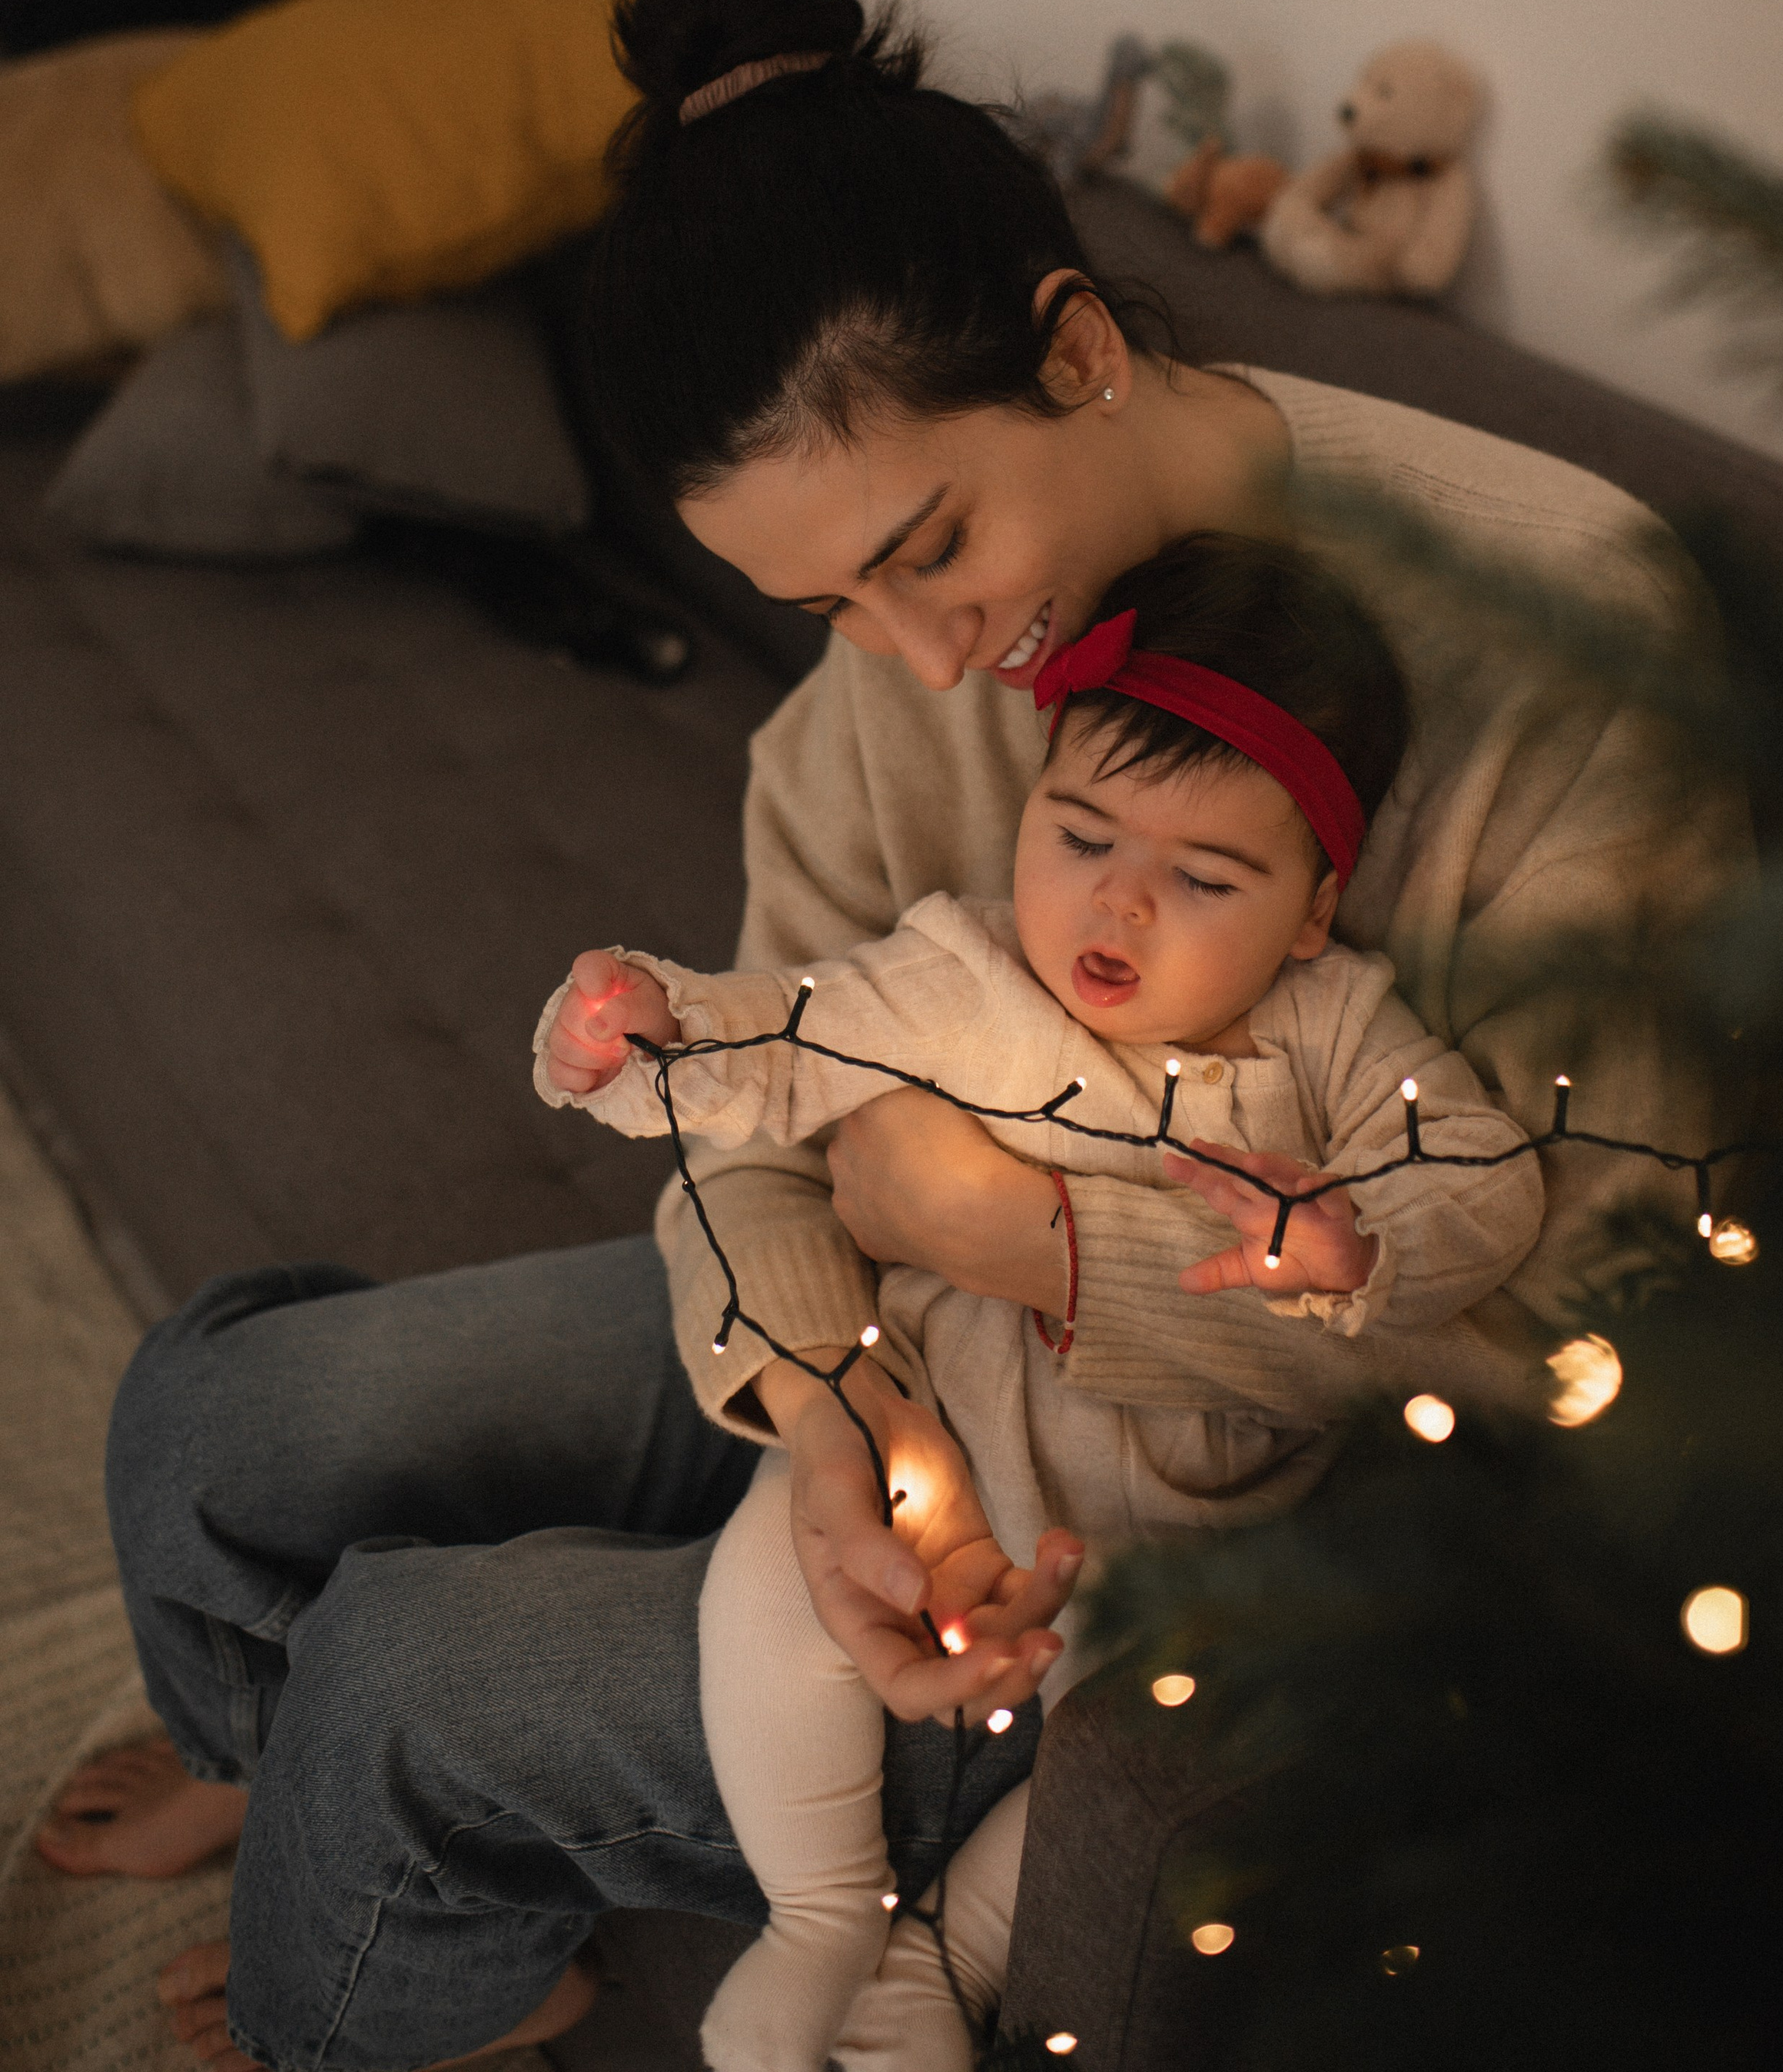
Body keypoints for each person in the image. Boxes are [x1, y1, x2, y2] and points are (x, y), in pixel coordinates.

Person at [40, 0, 1747, 2072]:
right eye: (828, 602)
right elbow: (755, 1092)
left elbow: (1589, 1334)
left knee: (401, 1685)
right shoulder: (906, 655)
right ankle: (283, 1768)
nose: (926, 660)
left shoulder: (1575, 644)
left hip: (1190, 1508)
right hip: (911, 1346)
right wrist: (831, 1411)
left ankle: (400, 1950)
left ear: (1078, 348)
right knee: (220, 1411)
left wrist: (1029, 1239)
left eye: (929, 551)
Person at [536, 530, 1545, 2071]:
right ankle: (822, 1913)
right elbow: (789, 1039)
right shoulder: (966, 973)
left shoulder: (1340, 1029)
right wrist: (660, 1034)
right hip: (932, 1454)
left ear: (1309, 909)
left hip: (1185, 1530)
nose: (1117, 905)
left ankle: (940, 1958)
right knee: (771, 1579)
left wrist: (1360, 1240)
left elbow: (1485, 1169)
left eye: (1202, 877)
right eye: (1080, 836)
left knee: (1146, 1732)